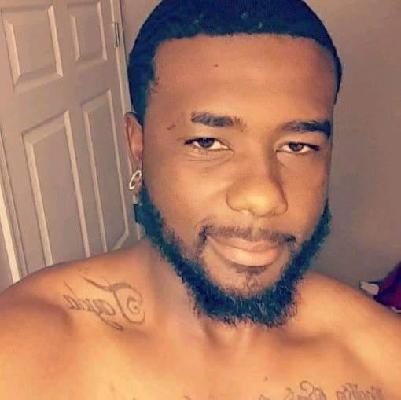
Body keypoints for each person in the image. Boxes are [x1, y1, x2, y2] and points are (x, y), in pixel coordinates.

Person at [0, 0, 400, 398]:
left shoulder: (382, 361)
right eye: (207, 142)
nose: (263, 197)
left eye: (298, 146)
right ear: (138, 146)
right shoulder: (19, 354)